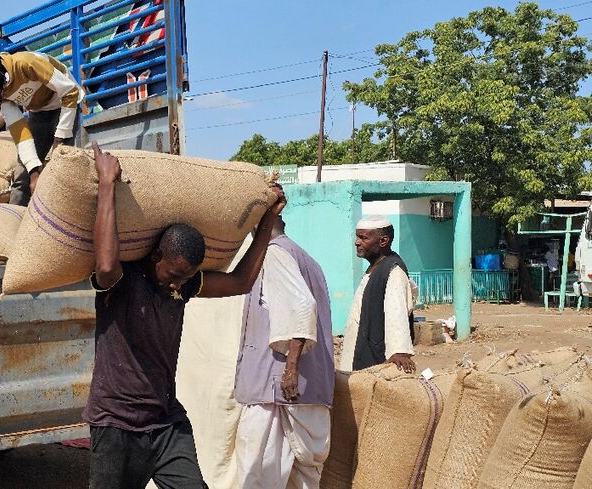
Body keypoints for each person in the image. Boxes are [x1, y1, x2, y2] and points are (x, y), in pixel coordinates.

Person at [87, 142, 285, 489]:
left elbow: (240, 282)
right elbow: (105, 263)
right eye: (173, 274)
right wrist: (107, 184)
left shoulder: (185, 286)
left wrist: (266, 224)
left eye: (186, 277)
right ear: (156, 255)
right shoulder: (122, 283)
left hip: (165, 422)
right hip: (116, 423)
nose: (178, 283)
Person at [234, 214, 334, 489]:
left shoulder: (274, 254)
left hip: (276, 393)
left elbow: (301, 307)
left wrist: (290, 369)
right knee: (301, 478)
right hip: (300, 392)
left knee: (258, 473)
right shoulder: (304, 257)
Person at [0, 43, 83, 205]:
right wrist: (33, 172)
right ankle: (15, 218)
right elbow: (19, 130)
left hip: (65, 104)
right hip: (39, 111)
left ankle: (68, 212)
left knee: (62, 163)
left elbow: (70, 91)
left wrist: (59, 139)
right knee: (22, 177)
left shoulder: (26, 63)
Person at [338, 215, 417, 373]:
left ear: (383, 241)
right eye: (357, 237)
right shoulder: (375, 268)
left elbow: (397, 312)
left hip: (378, 358)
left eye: (363, 238)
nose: (357, 242)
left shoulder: (393, 270)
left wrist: (399, 351)